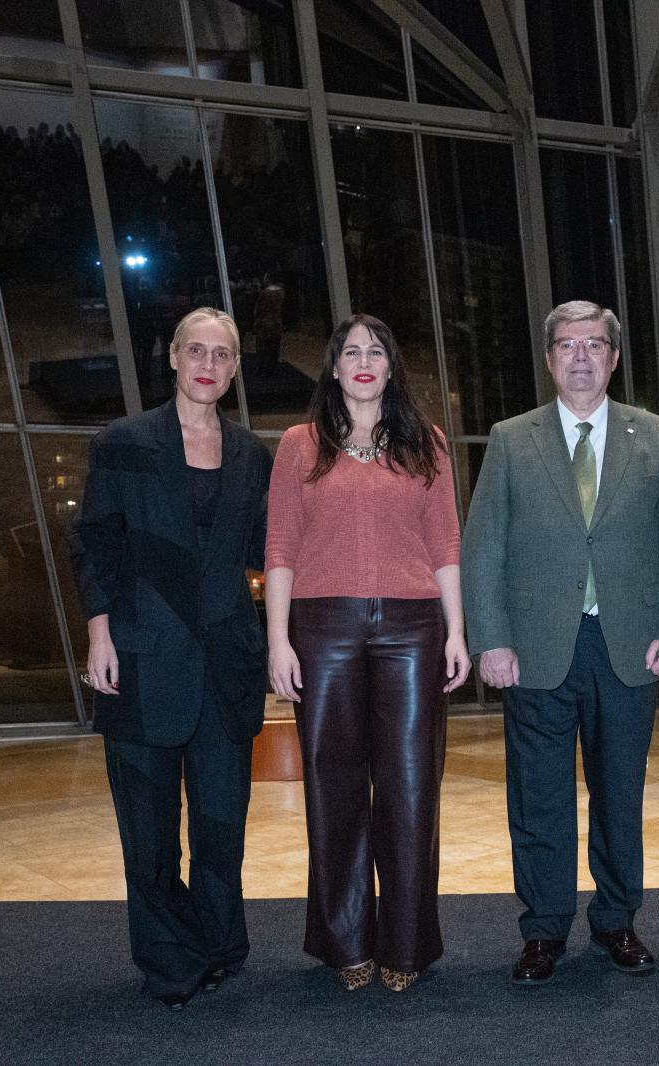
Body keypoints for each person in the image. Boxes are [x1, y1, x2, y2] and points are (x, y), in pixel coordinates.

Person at [460, 300, 659, 985]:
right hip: (535, 649)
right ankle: (542, 931)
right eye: (566, 345)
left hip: (629, 647)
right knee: (538, 800)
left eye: (593, 344)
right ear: (548, 358)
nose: (580, 356)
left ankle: (617, 920)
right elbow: (484, 550)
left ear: (614, 357)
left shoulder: (656, 436)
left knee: (619, 795)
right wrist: (492, 641)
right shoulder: (512, 439)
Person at [71, 307, 272, 1010]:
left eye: (222, 355)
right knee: (150, 837)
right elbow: (95, 541)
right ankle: (169, 961)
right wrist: (98, 632)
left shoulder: (254, 455)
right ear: (174, 358)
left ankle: (220, 945)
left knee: (221, 826)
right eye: (197, 351)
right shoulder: (122, 443)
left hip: (226, 667)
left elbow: (275, 554)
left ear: (235, 368)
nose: (208, 365)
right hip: (140, 661)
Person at [264, 313, 469, 993]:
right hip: (323, 632)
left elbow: (445, 547)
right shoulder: (300, 445)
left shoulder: (425, 441)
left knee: (411, 792)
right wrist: (277, 642)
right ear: (333, 365)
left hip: (414, 631)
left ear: (390, 366)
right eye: (350, 351)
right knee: (335, 790)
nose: (362, 361)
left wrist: (457, 632)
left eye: (375, 351)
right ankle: (346, 941)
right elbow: (281, 552)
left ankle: (405, 945)